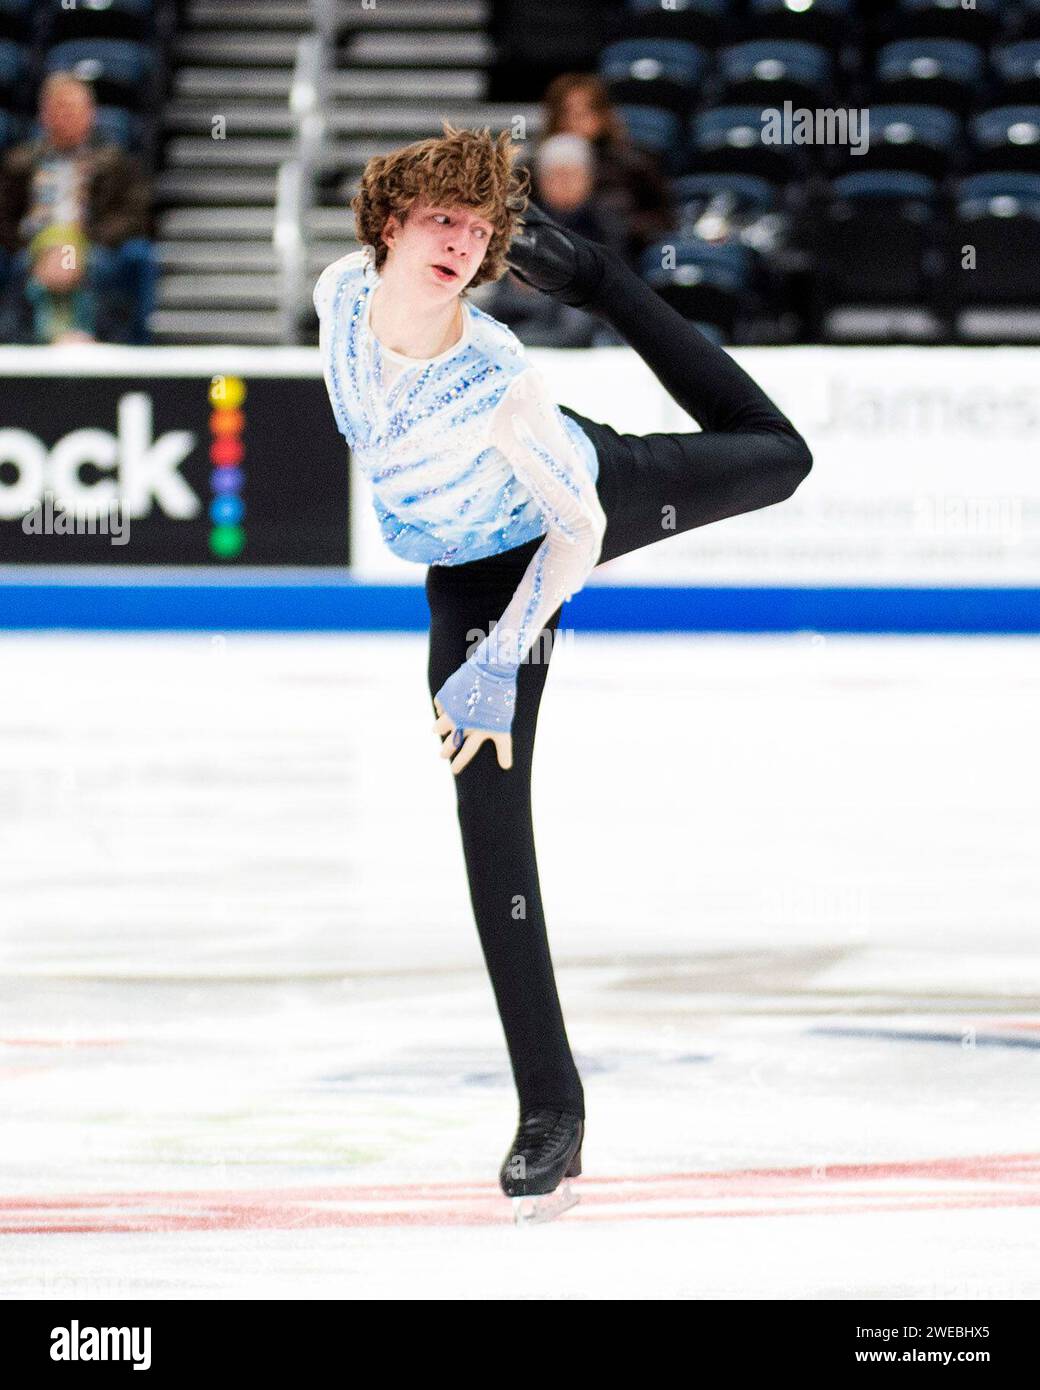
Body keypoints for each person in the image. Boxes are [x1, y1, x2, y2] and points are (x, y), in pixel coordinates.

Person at [313, 123, 812, 1206]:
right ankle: (555, 1111)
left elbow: (576, 528)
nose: (459, 239)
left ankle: (603, 282)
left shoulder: (496, 371)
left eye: (480, 226)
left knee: (778, 456)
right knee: (486, 824)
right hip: (463, 567)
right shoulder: (339, 294)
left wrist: (498, 660)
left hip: (565, 510)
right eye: (441, 217)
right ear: (389, 224)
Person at [0, 73, 153, 344]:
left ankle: (109, 345)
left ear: (90, 114)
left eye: (73, 108)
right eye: (58, 108)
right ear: (43, 115)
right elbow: (4, 217)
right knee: (19, 267)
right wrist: (40, 251)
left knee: (134, 257)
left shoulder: (114, 162)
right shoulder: (19, 164)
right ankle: (17, 353)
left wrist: (77, 248)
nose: (65, 116)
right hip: (33, 249)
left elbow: (134, 216)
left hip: (91, 247)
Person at [542, 72, 674, 260]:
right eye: (567, 113)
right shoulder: (536, 167)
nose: (575, 121)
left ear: (603, 115)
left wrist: (623, 225)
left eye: (584, 112)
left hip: (621, 259)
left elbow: (664, 219)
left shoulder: (633, 164)